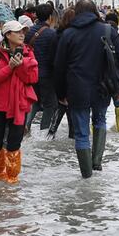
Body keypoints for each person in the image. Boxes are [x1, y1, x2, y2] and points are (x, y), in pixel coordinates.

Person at [53, 0, 119, 178]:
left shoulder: (68, 34)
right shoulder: (107, 30)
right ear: (95, 11)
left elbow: (59, 67)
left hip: (77, 89)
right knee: (100, 120)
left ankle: (86, 176)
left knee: (81, 132)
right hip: (103, 86)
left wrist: (61, 93)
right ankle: (97, 163)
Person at [0, 21, 38, 183]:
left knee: (14, 142)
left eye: (23, 31)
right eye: (18, 31)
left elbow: (33, 78)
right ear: (8, 35)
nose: (22, 34)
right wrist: (9, 67)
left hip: (19, 105)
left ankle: (12, 177)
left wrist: (21, 65)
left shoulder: (28, 53)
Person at [26, 4, 58, 132]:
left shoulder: (29, 32)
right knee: (50, 104)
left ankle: (26, 126)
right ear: (50, 17)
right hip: (46, 74)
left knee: (34, 102)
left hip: (31, 73)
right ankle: (43, 131)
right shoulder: (52, 34)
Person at [46, 9, 76, 140]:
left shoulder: (56, 35)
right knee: (71, 108)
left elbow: (51, 58)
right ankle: (72, 135)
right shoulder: (76, 36)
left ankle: (51, 133)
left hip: (58, 76)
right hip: (72, 77)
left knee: (61, 105)